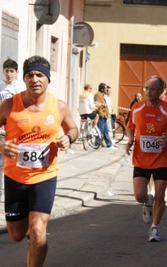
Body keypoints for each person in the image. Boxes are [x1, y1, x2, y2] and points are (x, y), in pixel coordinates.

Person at [0, 55, 78, 266]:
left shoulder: (59, 107)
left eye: (39, 75)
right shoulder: (8, 105)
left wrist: (68, 138)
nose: (34, 79)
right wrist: (1, 146)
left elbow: (73, 128)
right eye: (30, 75)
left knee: (37, 230)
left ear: (47, 79)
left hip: (45, 176)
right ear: (24, 78)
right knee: (16, 234)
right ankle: (31, 237)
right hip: (15, 176)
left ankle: (35, 241)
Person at [126, 75, 167, 241]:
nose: (148, 92)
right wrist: (130, 139)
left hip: (161, 158)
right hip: (141, 158)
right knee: (139, 195)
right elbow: (130, 127)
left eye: (152, 89)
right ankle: (146, 202)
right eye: (146, 88)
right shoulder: (137, 108)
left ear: (160, 91)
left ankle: (155, 228)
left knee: (160, 194)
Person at [0, 58, 26, 201]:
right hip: (2, 131)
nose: (9, 74)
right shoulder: (0, 86)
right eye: (6, 71)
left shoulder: (20, 88)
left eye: (11, 71)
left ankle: (17, 190)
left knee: (15, 161)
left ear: (16, 72)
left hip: (16, 131)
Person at [94, 83, 114, 149]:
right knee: (100, 130)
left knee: (106, 131)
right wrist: (101, 114)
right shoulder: (97, 95)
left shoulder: (102, 95)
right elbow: (98, 105)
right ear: (101, 89)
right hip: (102, 115)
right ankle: (97, 144)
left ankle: (109, 145)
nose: (106, 90)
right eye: (105, 88)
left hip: (105, 115)